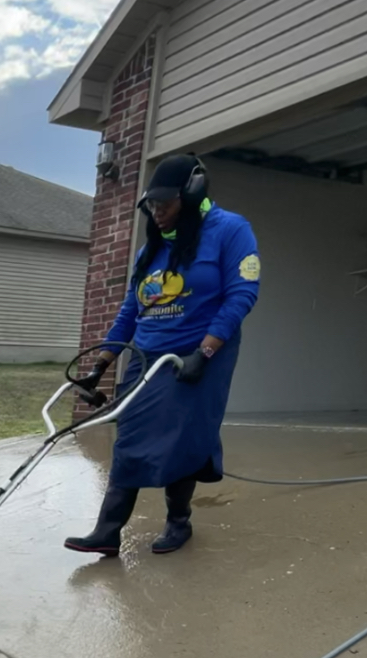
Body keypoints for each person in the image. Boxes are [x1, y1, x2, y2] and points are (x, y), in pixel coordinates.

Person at [64, 154, 261, 556]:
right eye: (151, 205)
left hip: (200, 352)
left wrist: (204, 352)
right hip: (147, 354)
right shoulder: (152, 248)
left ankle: (179, 521)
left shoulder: (230, 230)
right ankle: (107, 531)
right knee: (130, 435)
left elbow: (242, 295)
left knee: (182, 437)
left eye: (164, 204)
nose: (156, 213)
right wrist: (99, 366)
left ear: (191, 194)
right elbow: (130, 312)